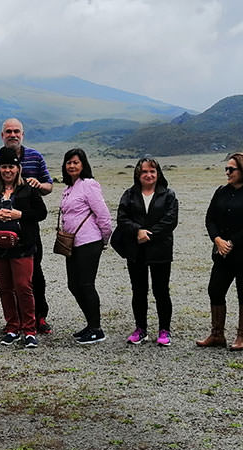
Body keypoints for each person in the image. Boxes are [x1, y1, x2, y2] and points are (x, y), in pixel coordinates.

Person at [0, 118, 54, 334]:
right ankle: (14, 321)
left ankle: (38, 317)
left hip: (27, 229)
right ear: (2, 135)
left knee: (33, 275)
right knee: (6, 281)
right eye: (8, 131)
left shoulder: (35, 157)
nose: (13, 135)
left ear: (23, 134)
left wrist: (39, 186)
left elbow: (48, 186)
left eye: (16, 131)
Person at [197, 152, 243, 351]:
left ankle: (242, 337)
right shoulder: (221, 191)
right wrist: (217, 239)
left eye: (232, 169)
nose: (227, 172)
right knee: (215, 289)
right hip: (222, 252)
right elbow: (210, 218)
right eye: (226, 168)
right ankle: (217, 334)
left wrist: (231, 242)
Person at [114, 157, 179, 346]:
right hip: (136, 251)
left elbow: (170, 220)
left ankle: (164, 330)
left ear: (158, 174)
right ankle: (140, 328)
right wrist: (137, 231)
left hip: (160, 251)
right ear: (138, 174)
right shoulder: (130, 194)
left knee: (161, 291)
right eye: (144, 172)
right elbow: (122, 218)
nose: (149, 175)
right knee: (139, 291)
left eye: (152, 171)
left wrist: (149, 234)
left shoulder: (168, 195)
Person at [59, 148, 113, 345]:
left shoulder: (89, 185)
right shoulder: (69, 188)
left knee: (86, 284)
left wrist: (103, 240)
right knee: (73, 284)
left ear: (83, 165)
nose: (72, 166)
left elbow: (104, 215)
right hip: (72, 243)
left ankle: (96, 329)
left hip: (89, 242)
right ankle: (90, 324)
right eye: (69, 162)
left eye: (76, 162)